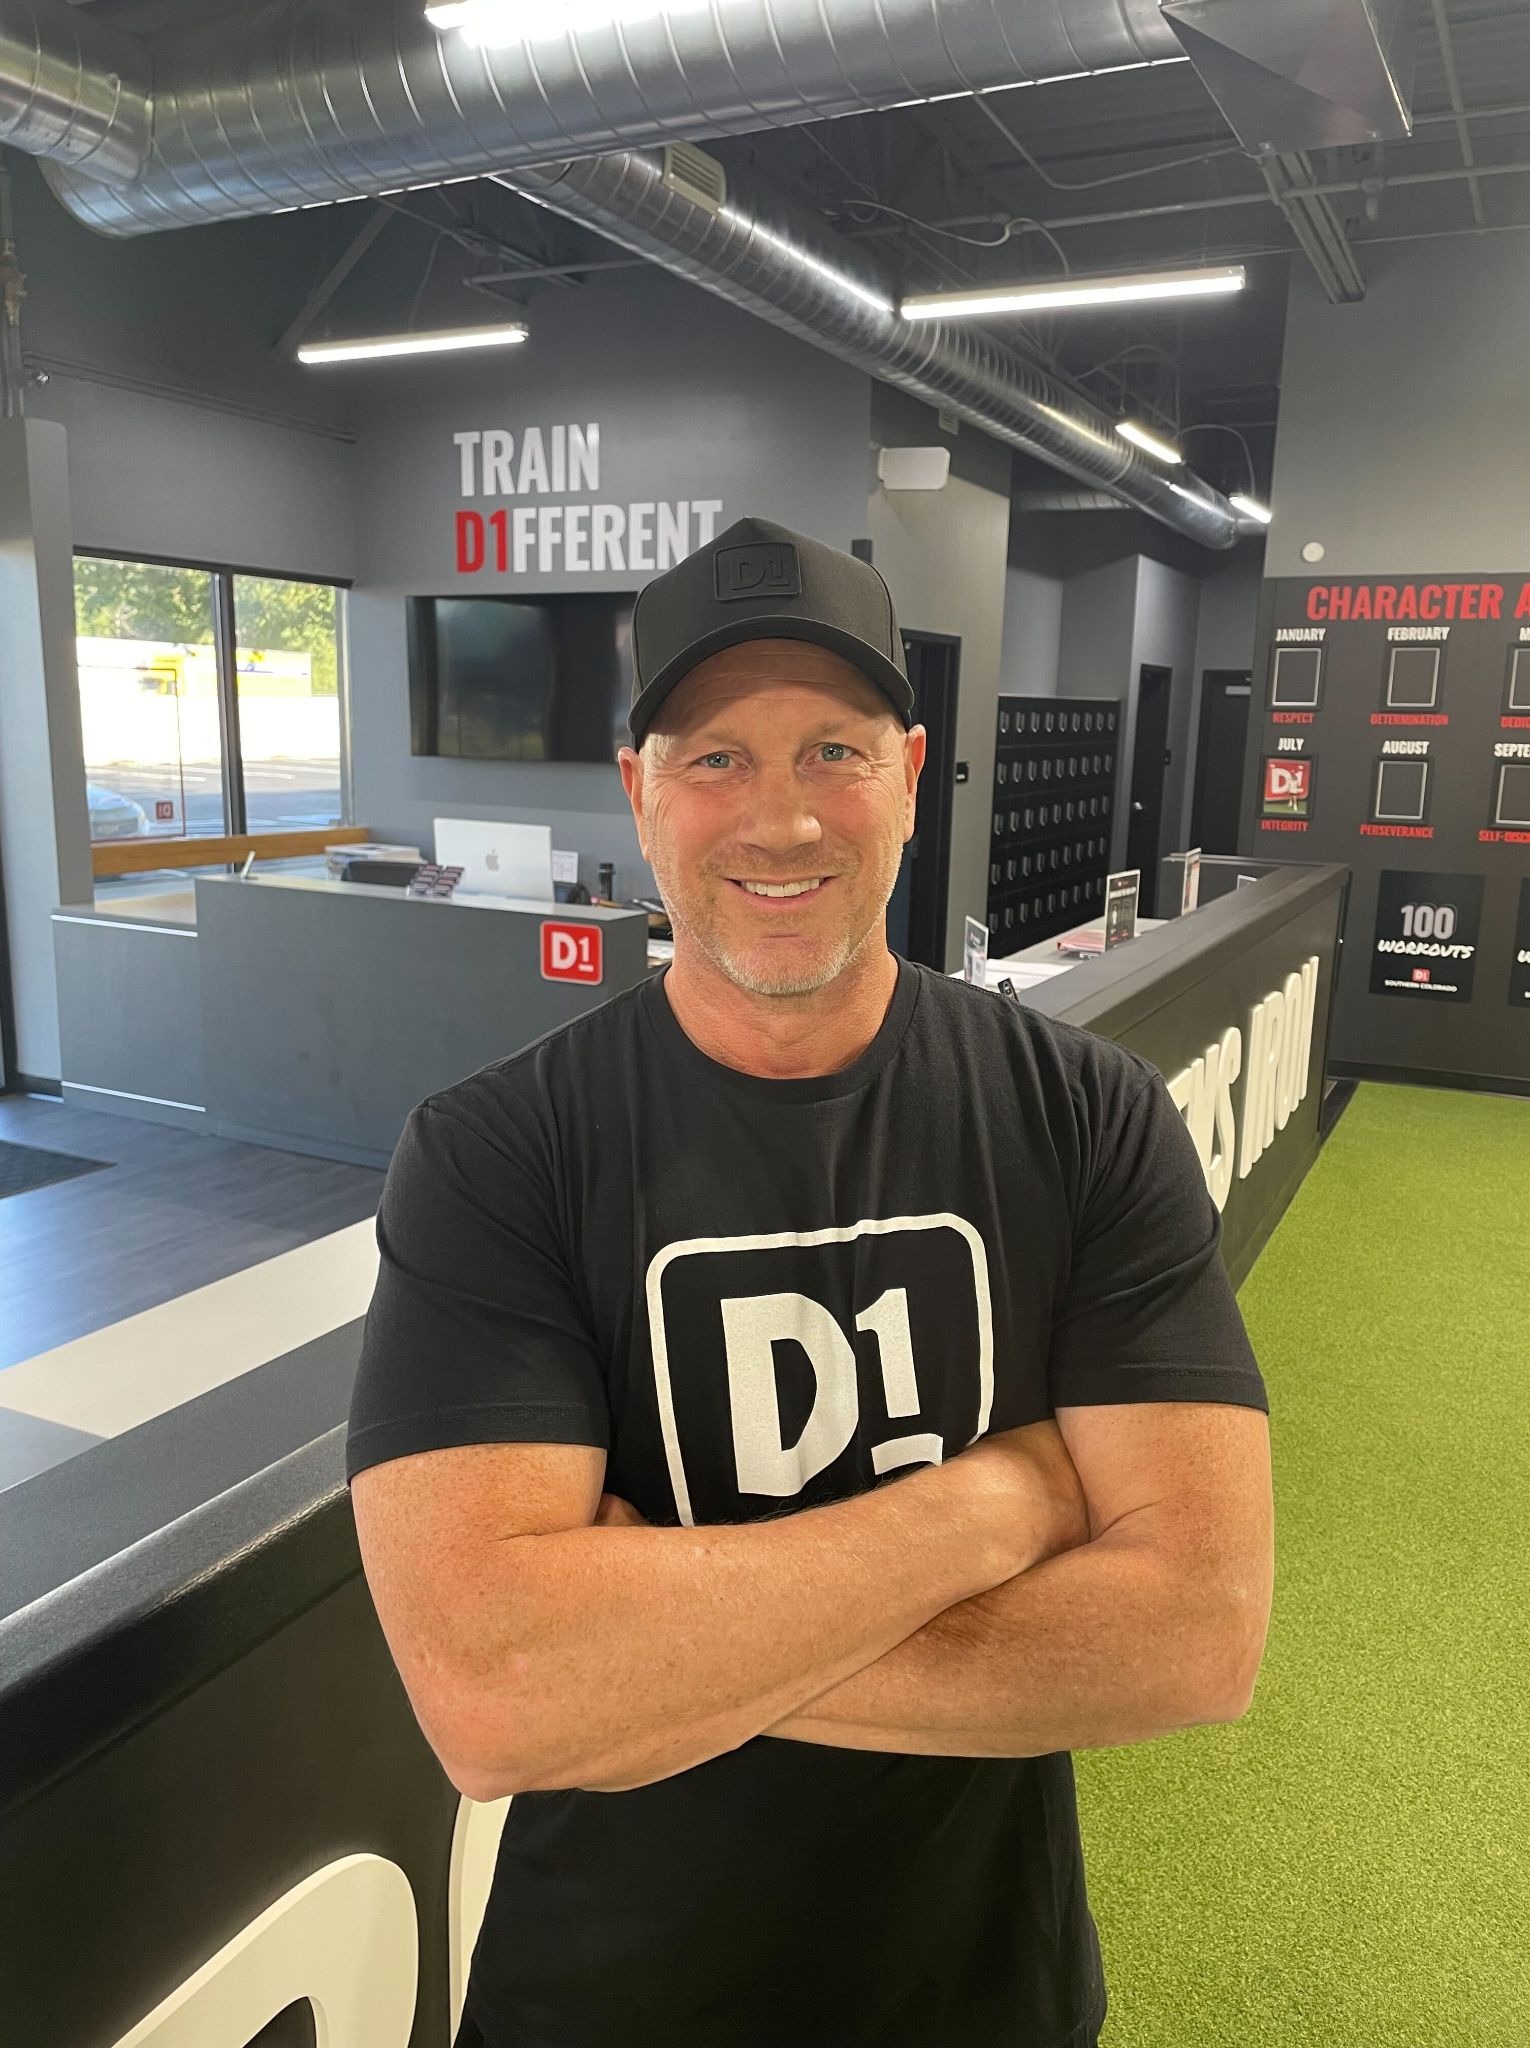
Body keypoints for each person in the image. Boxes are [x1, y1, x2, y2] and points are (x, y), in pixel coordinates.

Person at [348, 516, 1274, 2048]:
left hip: (985, 2002)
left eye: (831, 752)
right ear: (639, 791)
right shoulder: (495, 1155)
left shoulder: (1085, 1118)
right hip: (602, 2009)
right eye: (716, 758)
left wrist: (644, 1660)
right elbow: (495, 1697)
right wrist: (998, 1507)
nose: (779, 820)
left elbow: (1198, 1633)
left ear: (908, 775)